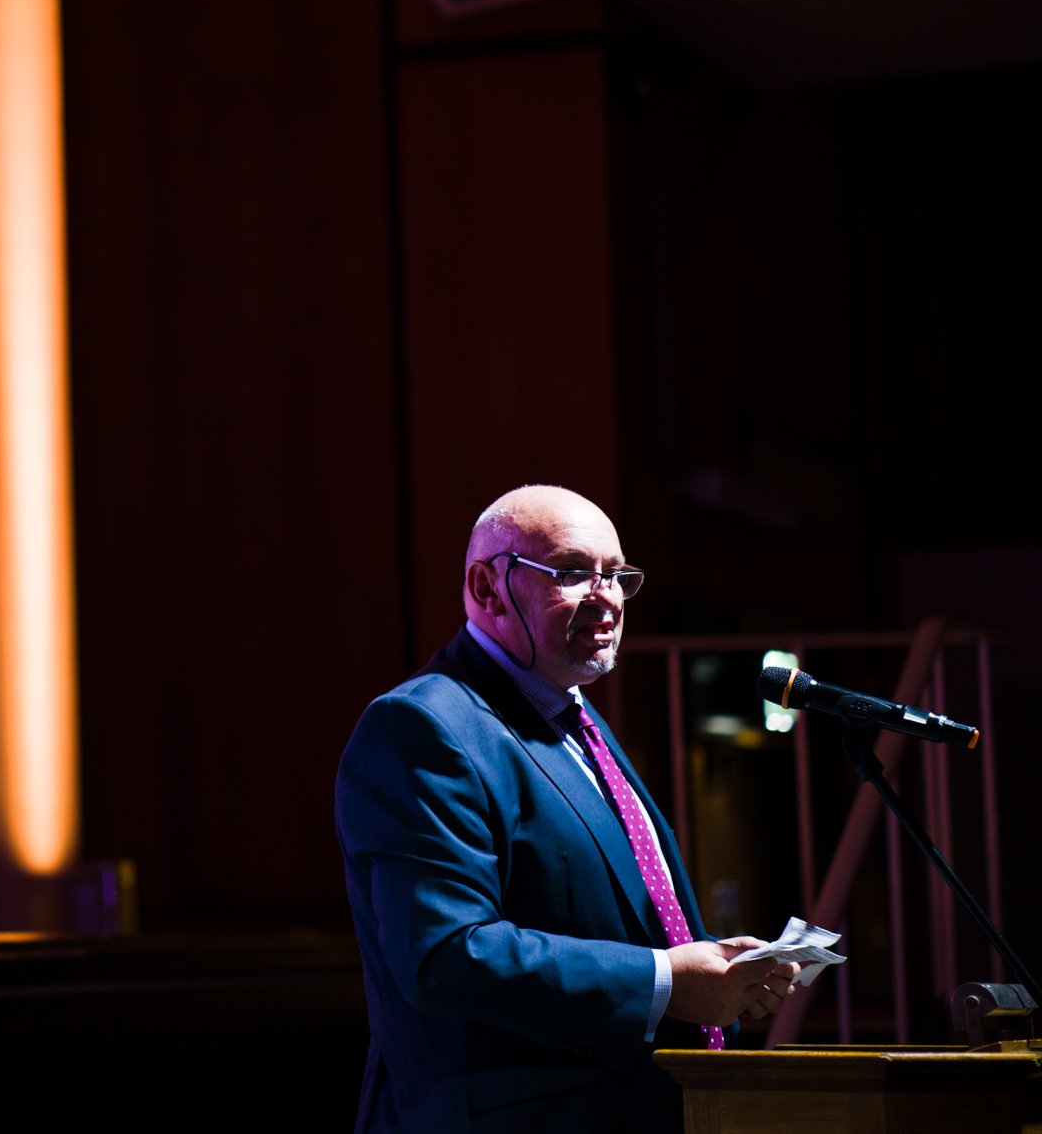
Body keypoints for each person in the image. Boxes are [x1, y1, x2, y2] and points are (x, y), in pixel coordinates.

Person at [335, 485, 799, 1132]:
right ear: (487, 586)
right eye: (574, 572)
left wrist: (715, 971)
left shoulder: (574, 717)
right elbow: (442, 954)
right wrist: (663, 978)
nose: (606, 595)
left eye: (616, 575)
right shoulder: (422, 725)